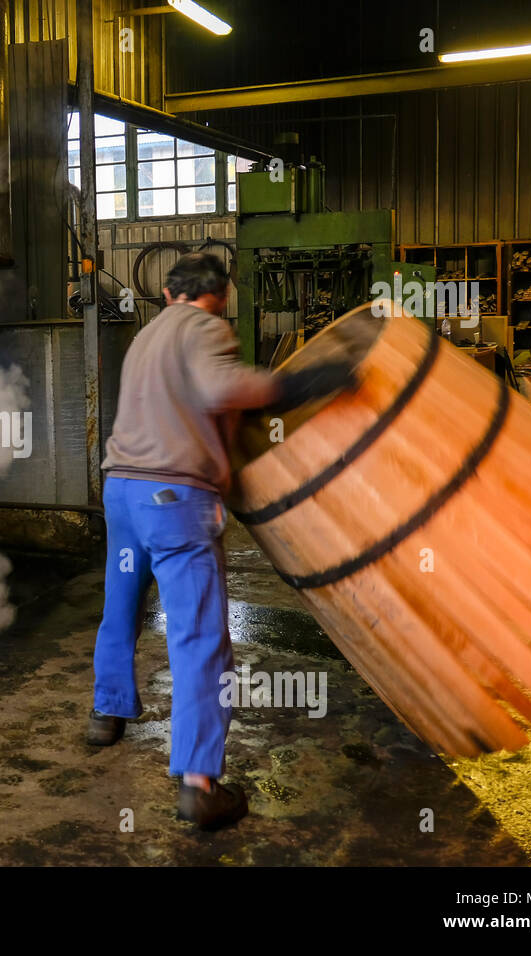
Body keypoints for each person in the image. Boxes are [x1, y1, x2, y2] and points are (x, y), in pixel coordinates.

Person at [87, 251, 355, 830]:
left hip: (122, 492)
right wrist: (303, 383)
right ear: (222, 296)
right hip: (173, 502)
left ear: (166, 294)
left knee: (121, 606)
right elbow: (223, 388)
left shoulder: (146, 336)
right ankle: (200, 784)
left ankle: (106, 713)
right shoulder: (208, 329)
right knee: (201, 637)